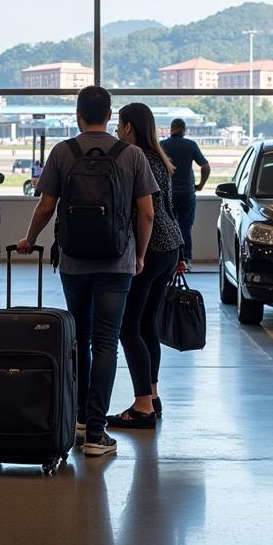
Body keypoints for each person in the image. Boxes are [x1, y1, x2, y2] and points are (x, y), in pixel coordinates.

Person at [17, 86, 157, 458]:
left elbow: (47, 205)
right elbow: (146, 213)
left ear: (78, 115)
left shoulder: (63, 152)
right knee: (107, 341)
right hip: (117, 262)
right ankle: (97, 433)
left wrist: (30, 238)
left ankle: (77, 418)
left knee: (79, 339)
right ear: (110, 116)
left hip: (74, 262)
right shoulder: (131, 155)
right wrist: (139, 254)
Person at [108, 104, 185, 430]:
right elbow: (170, 207)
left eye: (119, 125)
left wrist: (138, 253)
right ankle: (152, 395)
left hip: (151, 248)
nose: (116, 130)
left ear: (129, 127)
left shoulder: (136, 159)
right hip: (169, 246)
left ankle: (142, 408)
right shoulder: (160, 159)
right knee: (147, 323)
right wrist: (181, 251)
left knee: (129, 327)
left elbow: (147, 214)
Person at [161, 118, 210, 269]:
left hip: (168, 194)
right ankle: (186, 259)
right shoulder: (191, 145)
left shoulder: (163, 145)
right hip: (187, 193)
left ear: (171, 129)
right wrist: (200, 185)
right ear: (184, 129)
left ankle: (170, 259)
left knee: (167, 226)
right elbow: (205, 166)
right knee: (185, 226)